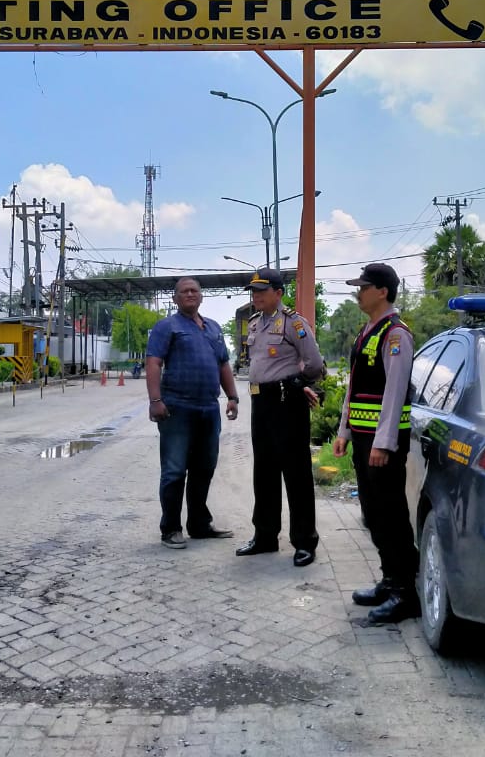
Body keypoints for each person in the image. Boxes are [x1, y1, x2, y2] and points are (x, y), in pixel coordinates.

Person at [332, 262, 420, 624]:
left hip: (383, 445)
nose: (358, 293)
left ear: (382, 291)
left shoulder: (396, 334)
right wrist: (344, 431)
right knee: (374, 513)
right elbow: (354, 388)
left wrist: (384, 443)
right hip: (364, 439)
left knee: (391, 514)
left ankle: (405, 593)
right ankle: (389, 579)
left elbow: (395, 394)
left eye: (363, 287)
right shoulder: (367, 331)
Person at [235, 268, 326, 568]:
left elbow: (314, 363)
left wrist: (298, 383)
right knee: (264, 471)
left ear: (278, 293)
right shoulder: (255, 323)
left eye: (262, 290)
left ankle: (304, 541)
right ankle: (265, 536)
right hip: (260, 401)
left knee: (296, 472)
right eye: (253, 291)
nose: (256, 296)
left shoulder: (293, 323)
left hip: (287, 400)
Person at [145, 276, 241, 549]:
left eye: (194, 291)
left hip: (208, 408)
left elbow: (223, 364)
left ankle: (199, 525)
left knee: (204, 468)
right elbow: (153, 362)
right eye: (184, 291)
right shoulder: (167, 327)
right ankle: (170, 529)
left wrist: (232, 397)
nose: (190, 294)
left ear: (201, 296)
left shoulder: (213, 328)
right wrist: (155, 400)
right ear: (175, 298)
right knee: (174, 470)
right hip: (177, 408)